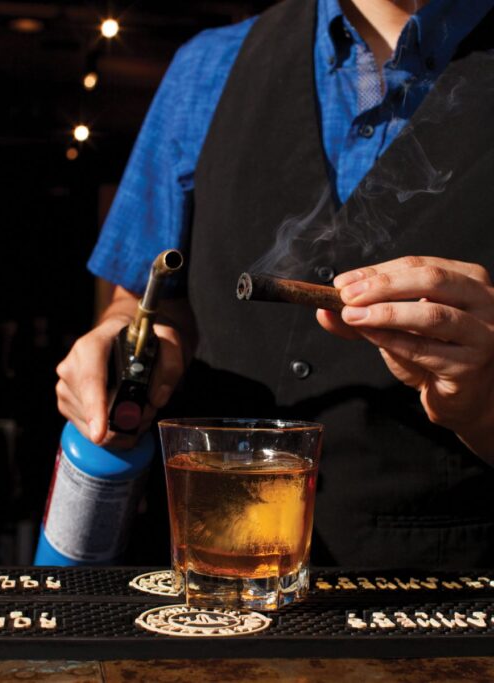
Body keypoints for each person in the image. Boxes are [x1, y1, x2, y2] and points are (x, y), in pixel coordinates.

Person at [56, 0, 494, 568]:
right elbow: (144, 300)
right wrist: (128, 340)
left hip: (444, 598)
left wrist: (485, 403)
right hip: (211, 566)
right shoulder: (205, 68)